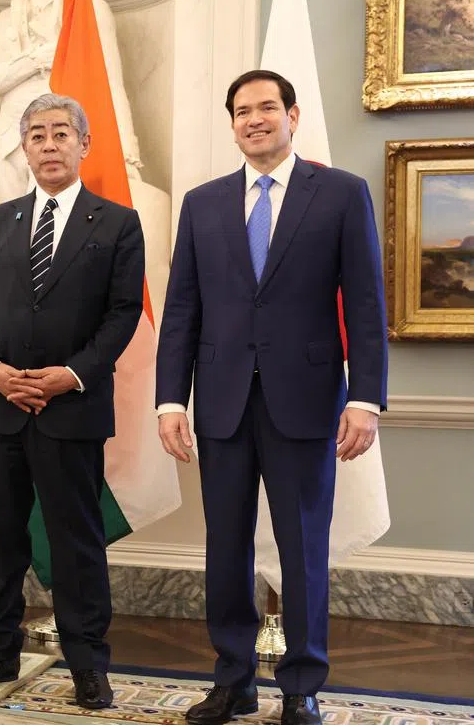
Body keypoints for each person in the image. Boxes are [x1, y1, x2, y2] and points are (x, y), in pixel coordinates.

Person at [155, 70, 387, 725]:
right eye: (241, 111)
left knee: (304, 546)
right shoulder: (202, 204)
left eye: (265, 108)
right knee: (223, 545)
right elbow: (181, 312)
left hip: (307, 401)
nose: (253, 120)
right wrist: (170, 401)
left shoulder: (341, 194)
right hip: (221, 403)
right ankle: (232, 680)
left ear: (292, 114)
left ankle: (301, 686)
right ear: (231, 124)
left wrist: (365, 398)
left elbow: (366, 305)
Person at [0, 93, 145, 710]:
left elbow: (122, 315)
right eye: (37, 135)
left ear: (83, 144)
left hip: (71, 409)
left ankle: (87, 664)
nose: (49, 144)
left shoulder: (117, 223)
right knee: (0, 537)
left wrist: (71, 375)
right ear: (24, 149)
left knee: (75, 541)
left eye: (62, 133)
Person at [0, 0, 143, 202]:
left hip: (62, 134)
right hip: (8, 136)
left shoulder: (91, 10)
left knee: (56, 223)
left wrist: (127, 154)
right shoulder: (6, 18)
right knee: (12, 225)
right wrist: (35, 61)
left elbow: (112, 85)